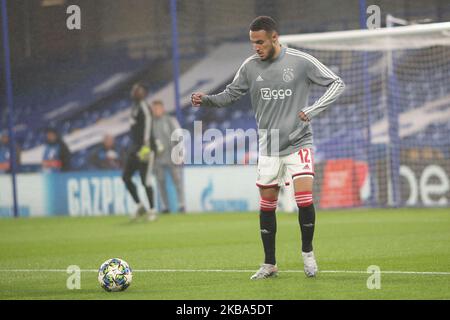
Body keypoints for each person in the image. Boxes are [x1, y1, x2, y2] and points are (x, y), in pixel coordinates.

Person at [191, 16, 345, 279]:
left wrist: (313, 109)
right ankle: (270, 263)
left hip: (299, 142)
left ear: (275, 38)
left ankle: (307, 254)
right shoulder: (250, 67)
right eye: (252, 42)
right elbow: (231, 94)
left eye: (260, 42)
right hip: (270, 146)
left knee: (304, 198)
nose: (256, 47)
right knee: (267, 205)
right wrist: (207, 100)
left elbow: (337, 83)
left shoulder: (300, 61)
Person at [122, 83, 157, 221]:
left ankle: (152, 210)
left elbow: (148, 125)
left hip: (144, 148)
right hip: (134, 148)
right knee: (126, 177)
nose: (135, 92)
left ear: (144, 94)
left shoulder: (143, 106)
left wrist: (146, 147)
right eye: (134, 90)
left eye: (138, 91)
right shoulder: (134, 107)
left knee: (145, 180)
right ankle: (139, 205)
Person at [151, 100, 186, 214]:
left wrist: (180, 154)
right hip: (157, 158)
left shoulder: (170, 120)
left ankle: (181, 205)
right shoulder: (150, 123)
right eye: (154, 109)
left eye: (158, 108)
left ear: (162, 109)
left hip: (171, 156)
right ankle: (165, 207)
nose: (156, 111)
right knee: (160, 182)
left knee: (177, 180)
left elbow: (179, 136)